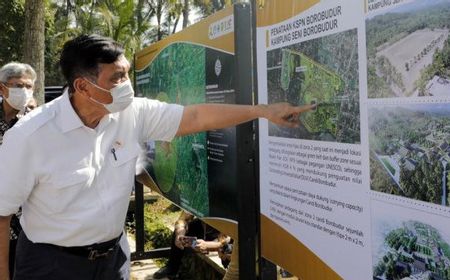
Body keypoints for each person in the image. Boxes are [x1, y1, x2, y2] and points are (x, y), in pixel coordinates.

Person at [0, 34, 314, 280]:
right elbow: (2, 215)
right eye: (117, 78)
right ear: (83, 85)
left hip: (114, 260)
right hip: (51, 265)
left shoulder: (130, 112)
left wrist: (263, 111)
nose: (127, 86)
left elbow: (194, 118)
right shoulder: (30, 136)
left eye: (127, 75)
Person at [0, 62, 36, 280]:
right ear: (2, 88)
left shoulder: (34, 122)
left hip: (26, 217)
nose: (24, 91)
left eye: (28, 86)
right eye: (17, 86)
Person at [153, 212, 232, 279]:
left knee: (227, 250)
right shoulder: (199, 196)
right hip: (205, 227)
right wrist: (180, 232)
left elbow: (230, 235)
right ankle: (171, 267)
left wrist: (213, 246)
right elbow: (183, 218)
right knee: (181, 232)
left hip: (224, 233)